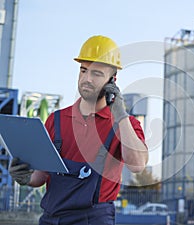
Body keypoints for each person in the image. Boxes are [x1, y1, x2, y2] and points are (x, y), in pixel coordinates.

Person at [8, 35, 148, 225]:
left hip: (93, 220)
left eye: (97, 74)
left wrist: (120, 114)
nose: (86, 79)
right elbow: (41, 176)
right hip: (51, 218)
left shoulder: (125, 124)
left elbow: (137, 165)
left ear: (112, 81)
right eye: (83, 70)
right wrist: (25, 177)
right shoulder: (56, 120)